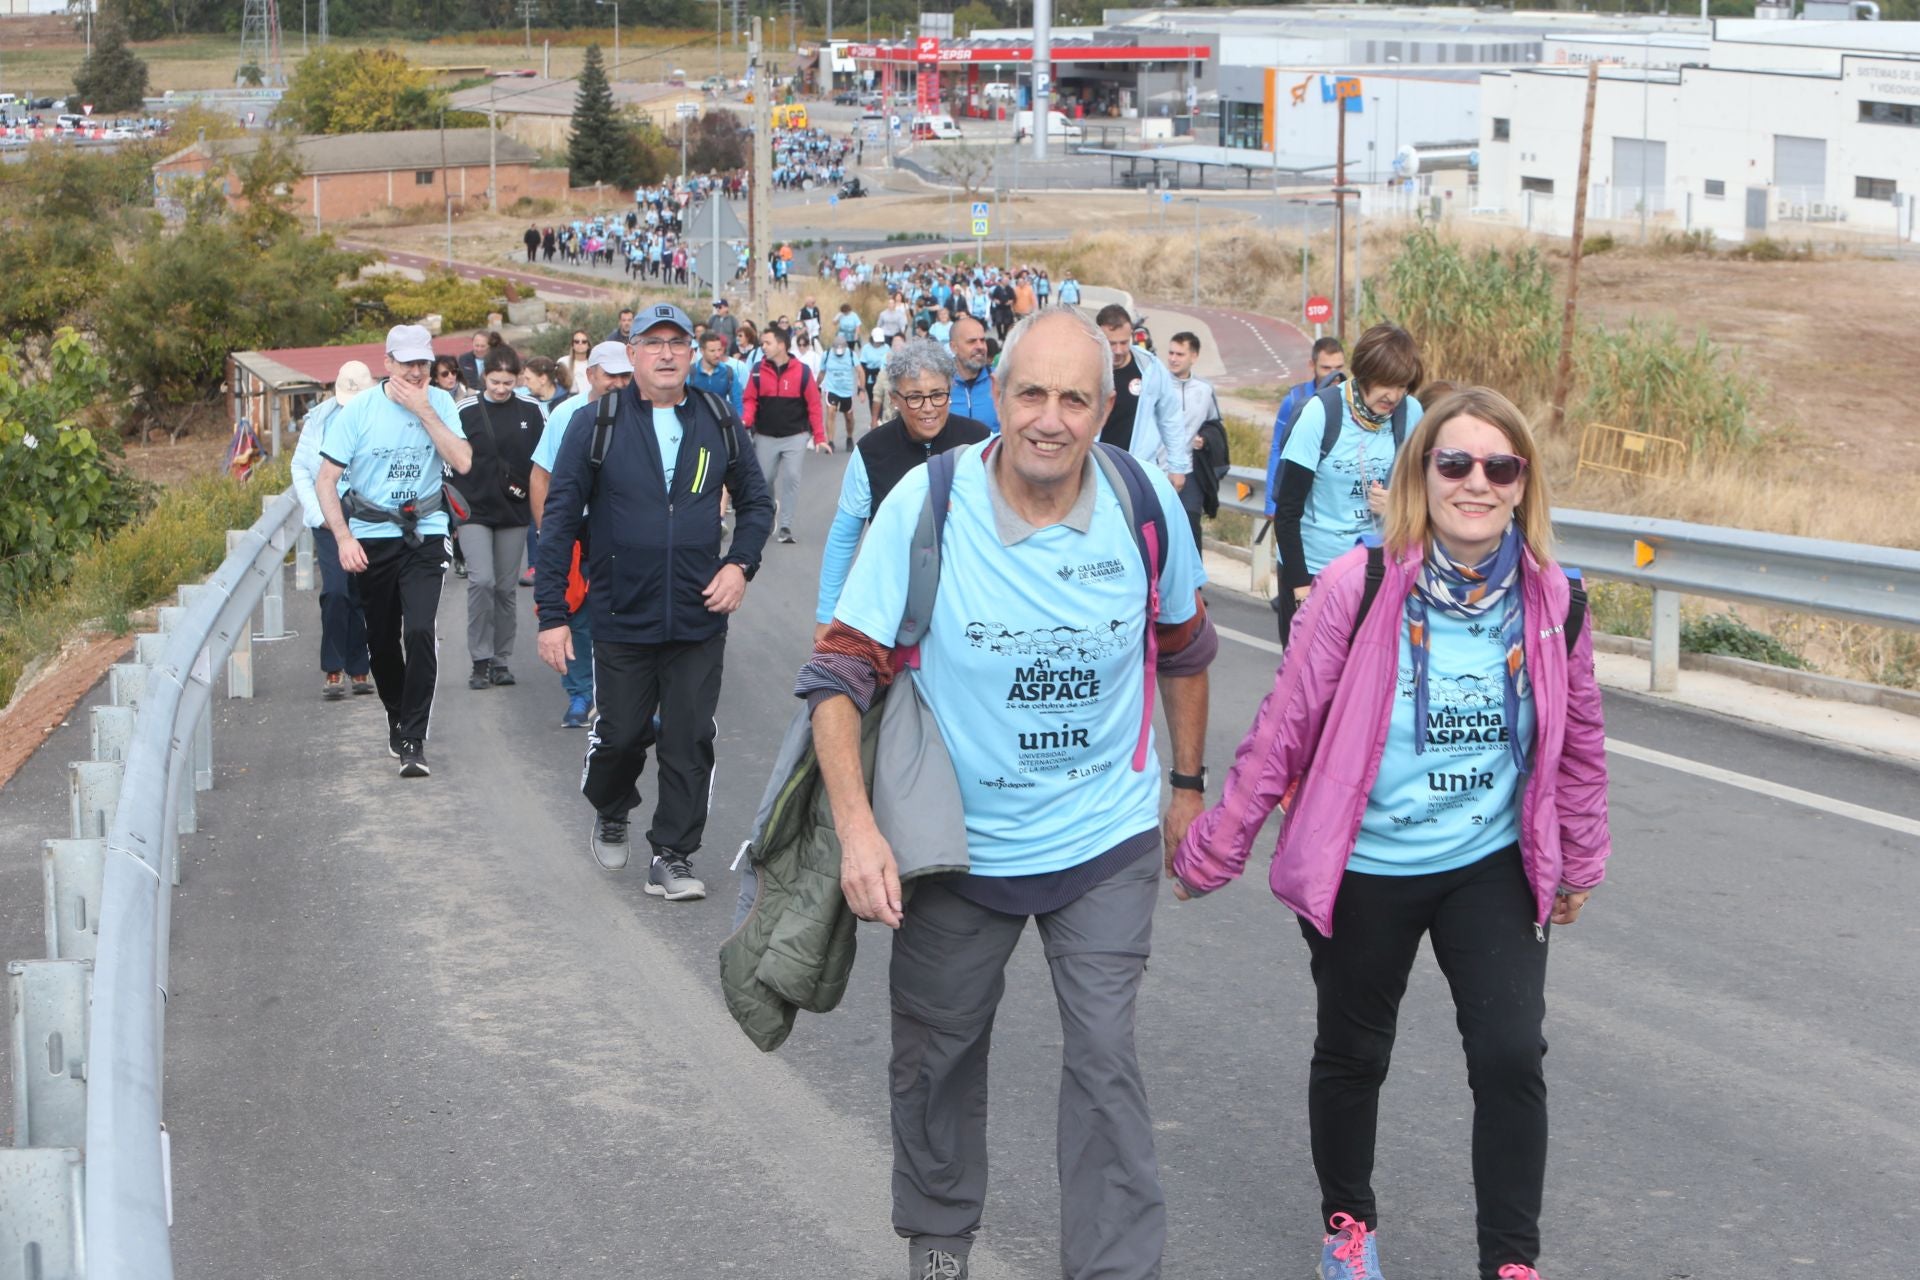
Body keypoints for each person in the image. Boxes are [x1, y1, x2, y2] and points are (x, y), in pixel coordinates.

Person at [798, 305, 1216, 1280]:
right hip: (956, 843)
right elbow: (839, 672)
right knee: (936, 1051)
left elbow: (1186, 648)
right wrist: (859, 829)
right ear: (999, 397)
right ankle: (940, 1241)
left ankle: (1115, 1267)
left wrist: (1186, 785)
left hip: (1103, 837)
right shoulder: (929, 504)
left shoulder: (1144, 501)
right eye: (1032, 392)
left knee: (1107, 1057)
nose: (1051, 418)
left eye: (1077, 397)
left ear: (1107, 407)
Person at [1172, 385, 1610, 1280]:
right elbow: (1284, 725)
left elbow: (1581, 741)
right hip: (1364, 862)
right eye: (1455, 463)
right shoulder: (1359, 584)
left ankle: (1512, 1263)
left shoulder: (1555, 602)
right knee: (1354, 1050)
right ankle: (1349, 1226)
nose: (1476, 482)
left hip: (1488, 862)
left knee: (1510, 1052)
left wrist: (1580, 857)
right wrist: (1220, 842)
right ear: (1423, 474)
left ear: (1523, 484)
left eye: (1500, 465)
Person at [534, 303, 775, 897]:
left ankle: (673, 855)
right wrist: (552, 616)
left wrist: (739, 566)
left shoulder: (717, 419)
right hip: (621, 613)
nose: (666, 354)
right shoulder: (597, 424)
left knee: (690, 736)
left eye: (678, 343)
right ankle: (611, 806)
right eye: (653, 343)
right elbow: (559, 521)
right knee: (621, 734)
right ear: (633, 353)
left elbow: (757, 504)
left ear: (692, 354)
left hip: (698, 616)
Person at [314, 325, 473, 779]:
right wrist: (344, 538)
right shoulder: (359, 411)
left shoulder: (439, 402)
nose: (416, 371)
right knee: (382, 639)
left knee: (419, 629)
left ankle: (414, 739)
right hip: (370, 532)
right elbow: (325, 481)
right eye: (407, 364)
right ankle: (396, 714)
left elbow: (462, 461)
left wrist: (424, 411)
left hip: (425, 528)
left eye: (423, 363)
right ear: (388, 364)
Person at [811, 339, 989, 633]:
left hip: (965, 606)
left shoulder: (980, 442)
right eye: (915, 397)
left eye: (937, 395)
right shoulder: (871, 451)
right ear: (894, 398)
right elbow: (844, 536)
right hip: (889, 608)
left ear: (950, 390)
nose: (928, 408)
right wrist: (826, 614)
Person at [1273, 323, 1425, 643]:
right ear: (1365, 373)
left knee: (1361, 682)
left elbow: (1424, 492)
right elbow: (1287, 511)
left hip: (1376, 568)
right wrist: (1299, 587)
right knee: (1308, 682)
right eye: (1386, 384)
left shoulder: (1410, 413)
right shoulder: (1321, 413)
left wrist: (1398, 504)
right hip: (1315, 568)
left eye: (1402, 385)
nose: (1394, 396)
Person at [528, 341, 635, 728]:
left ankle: (629, 697)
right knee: (574, 611)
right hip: (576, 529)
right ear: (590, 375)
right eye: (612, 375)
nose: (620, 383)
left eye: (627, 375)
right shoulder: (567, 415)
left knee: (626, 612)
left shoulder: (646, 413)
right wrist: (548, 533)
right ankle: (579, 694)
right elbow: (541, 476)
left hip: (626, 531)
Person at [455, 344, 542, 691]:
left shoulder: (532, 410)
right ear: (483, 378)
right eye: (495, 382)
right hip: (473, 508)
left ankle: (501, 659)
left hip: (514, 510)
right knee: (482, 581)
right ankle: (479, 658)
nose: (502, 389)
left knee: (505, 589)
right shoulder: (464, 409)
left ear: (517, 379)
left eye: (508, 383)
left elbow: (545, 460)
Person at [291, 361, 375, 701]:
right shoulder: (319, 419)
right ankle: (333, 666)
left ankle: (360, 666)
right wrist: (317, 512)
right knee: (337, 591)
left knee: (363, 592)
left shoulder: (381, 417)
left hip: (370, 514)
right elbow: (300, 466)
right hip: (328, 515)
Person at [1092, 304, 1192, 493]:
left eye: (1124, 342)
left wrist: (1177, 467)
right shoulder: (1087, 368)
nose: (1119, 350)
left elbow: (1170, 417)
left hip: (1136, 471)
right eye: (1111, 343)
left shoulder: (1150, 368)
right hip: (1094, 470)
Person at [743, 325, 828, 544]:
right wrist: (747, 420)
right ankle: (770, 507)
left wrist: (819, 437)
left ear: (781, 345)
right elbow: (750, 399)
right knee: (765, 479)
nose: (763, 347)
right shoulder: (757, 370)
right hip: (765, 436)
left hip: (795, 436)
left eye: (767, 343)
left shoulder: (802, 372)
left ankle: (786, 527)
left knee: (791, 478)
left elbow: (814, 406)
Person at [1266, 338, 1348, 515]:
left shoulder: (1351, 400)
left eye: (1339, 368)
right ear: (1312, 365)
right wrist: (1271, 504)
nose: (1333, 375)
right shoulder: (1295, 400)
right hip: (1299, 498)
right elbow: (1277, 450)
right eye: (1326, 368)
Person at [1163, 330, 1220, 553]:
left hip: (1189, 472)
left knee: (1190, 524)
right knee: (1161, 528)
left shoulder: (1205, 390)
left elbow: (1215, 423)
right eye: (1171, 353)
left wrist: (1205, 438)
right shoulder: (1158, 386)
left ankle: (1194, 584)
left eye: (1180, 354)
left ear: (1193, 357)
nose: (1173, 359)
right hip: (1158, 469)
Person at [947, 313, 1000, 433]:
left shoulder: (999, 381)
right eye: (971, 341)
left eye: (982, 340)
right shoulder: (940, 386)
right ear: (954, 347)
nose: (980, 346)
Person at [688, 329, 743, 419]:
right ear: (702, 351)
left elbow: (737, 402)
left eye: (719, 350)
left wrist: (738, 424)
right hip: (697, 424)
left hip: (722, 424)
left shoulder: (729, 372)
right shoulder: (690, 372)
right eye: (712, 351)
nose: (717, 355)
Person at [819, 334, 860, 448]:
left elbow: (860, 371)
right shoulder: (826, 355)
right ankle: (830, 442)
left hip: (846, 390)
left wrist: (861, 388)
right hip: (832, 388)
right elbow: (822, 372)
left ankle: (849, 437)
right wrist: (816, 386)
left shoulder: (851, 355)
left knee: (848, 416)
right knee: (831, 412)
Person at [556, 330, 595, 395]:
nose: (580, 343)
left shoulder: (594, 364)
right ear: (572, 345)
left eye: (584, 342)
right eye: (576, 341)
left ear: (588, 345)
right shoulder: (563, 362)